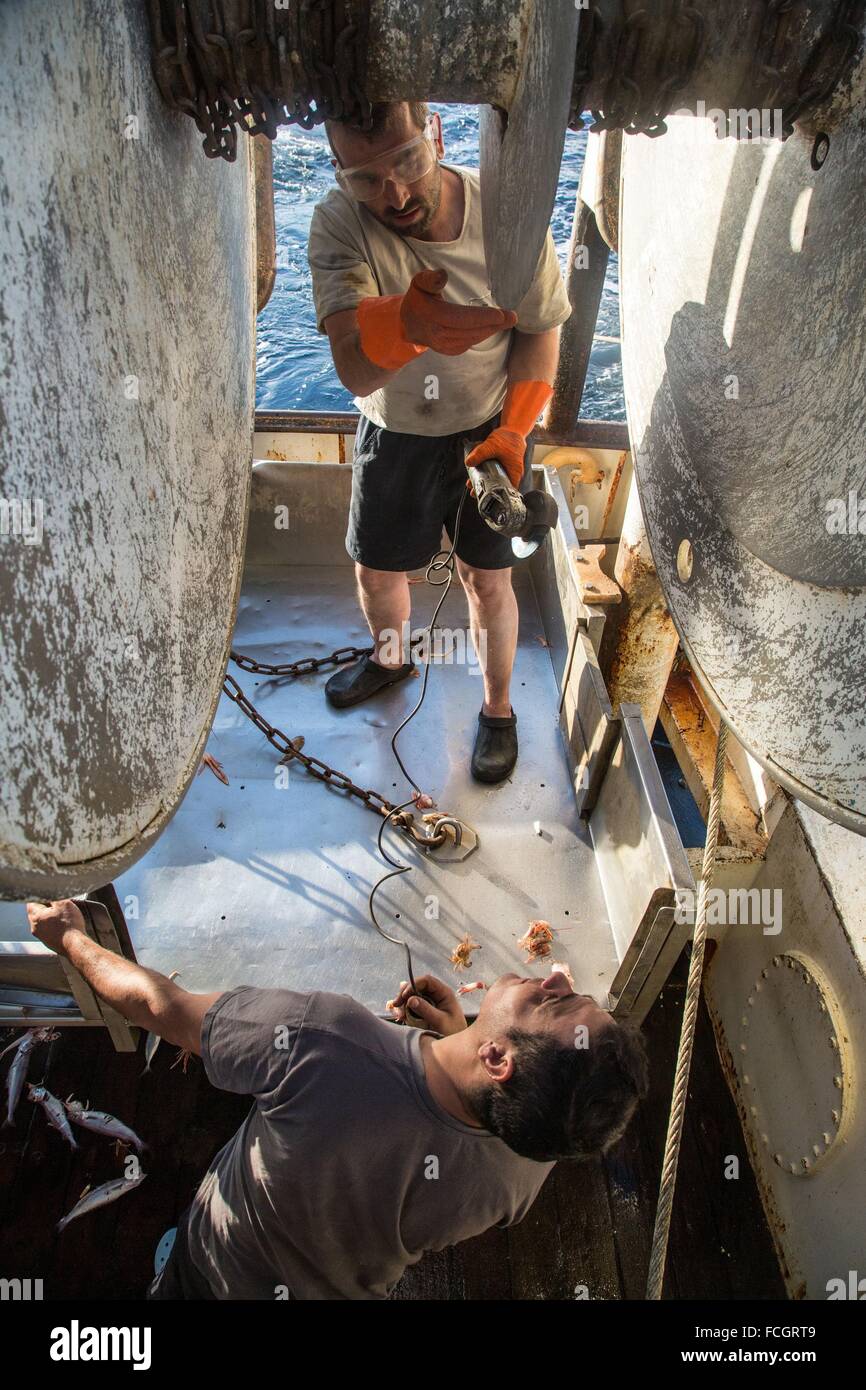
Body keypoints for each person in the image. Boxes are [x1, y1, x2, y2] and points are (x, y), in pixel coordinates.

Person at [27, 899, 648, 1301]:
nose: (558, 976)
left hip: (217, 1274)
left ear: (498, 1060)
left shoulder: (320, 1040)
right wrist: (460, 1035)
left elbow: (158, 1007)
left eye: (556, 1002)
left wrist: (73, 940)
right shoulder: (533, 1157)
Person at [308, 101, 571, 782]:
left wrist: (517, 427)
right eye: (365, 179)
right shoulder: (338, 223)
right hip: (394, 431)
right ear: (339, 173)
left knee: (489, 580)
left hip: (492, 426)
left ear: (437, 134)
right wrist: (406, 324)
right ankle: (391, 659)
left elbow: (540, 330)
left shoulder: (507, 216)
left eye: (406, 162)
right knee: (376, 568)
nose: (392, 194)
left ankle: (498, 709)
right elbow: (352, 364)